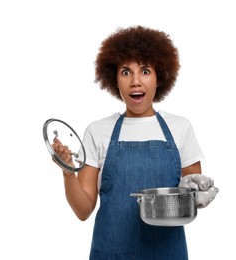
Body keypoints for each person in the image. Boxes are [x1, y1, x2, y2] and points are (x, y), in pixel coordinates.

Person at [52, 25, 218, 260]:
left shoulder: (180, 128)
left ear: (159, 77)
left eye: (146, 71)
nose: (136, 82)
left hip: (167, 252)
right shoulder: (98, 131)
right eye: (126, 72)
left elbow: (189, 199)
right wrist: (68, 172)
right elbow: (83, 210)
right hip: (112, 252)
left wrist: (198, 194)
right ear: (114, 79)